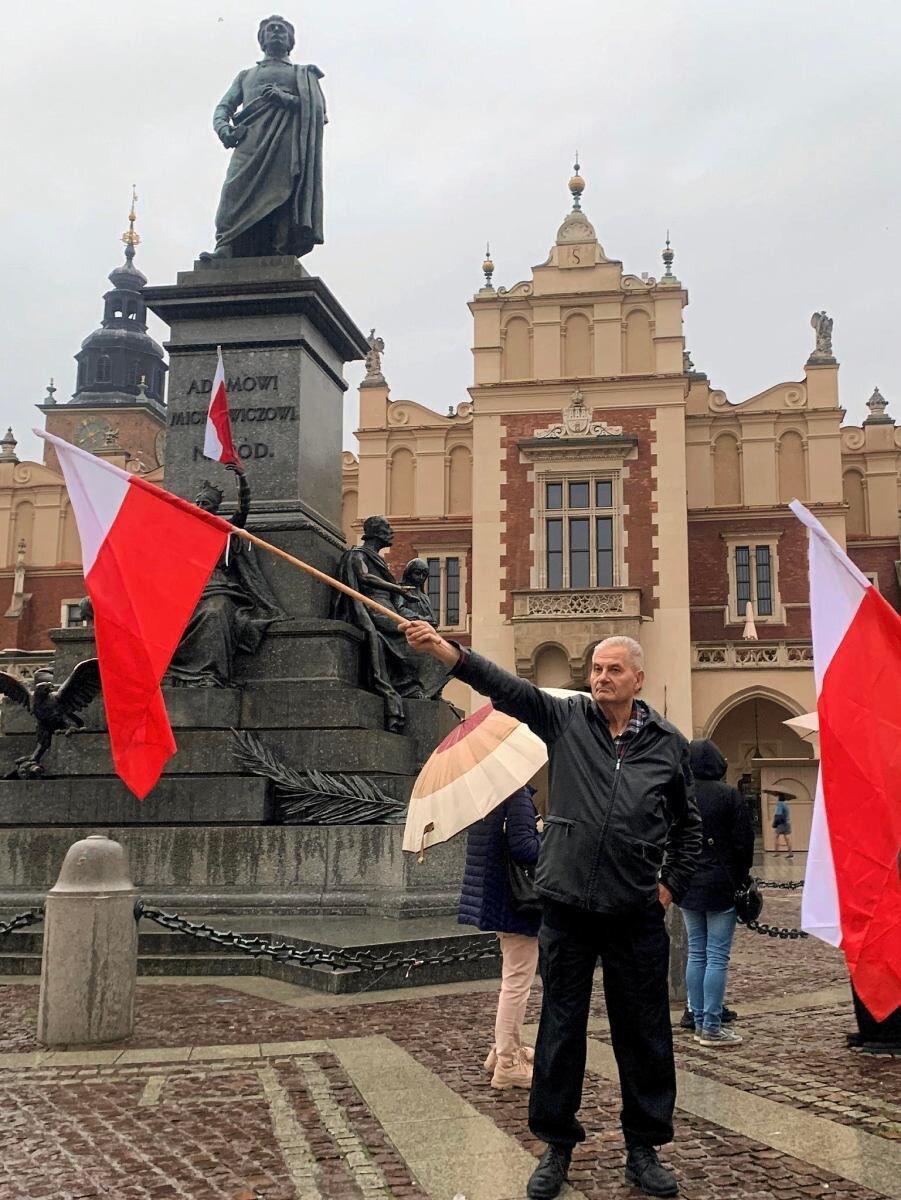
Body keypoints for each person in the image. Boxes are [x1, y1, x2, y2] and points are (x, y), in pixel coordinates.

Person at [401, 622, 702, 1200]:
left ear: (638, 678)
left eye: (614, 669)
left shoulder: (667, 744)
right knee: (561, 1031)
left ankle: (643, 1148)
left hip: (634, 912)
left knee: (643, 1034)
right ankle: (556, 1146)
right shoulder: (568, 720)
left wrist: (668, 888)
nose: (601, 677)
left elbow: (689, 829)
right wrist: (448, 652)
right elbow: (507, 688)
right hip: (565, 906)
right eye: (596, 669)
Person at [203, 15, 326, 259]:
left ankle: (280, 250)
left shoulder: (302, 74)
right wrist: (223, 128)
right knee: (232, 192)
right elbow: (223, 107)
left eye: (282, 30)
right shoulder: (246, 76)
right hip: (249, 142)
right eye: (271, 29)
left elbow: (319, 111)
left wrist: (285, 98)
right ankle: (226, 246)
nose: (277, 32)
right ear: (262, 39)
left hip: (284, 143)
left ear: (291, 41)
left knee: (281, 193)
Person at [168, 467, 287, 687]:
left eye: (206, 504)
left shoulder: (225, 531)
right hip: (188, 589)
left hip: (219, 588)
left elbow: (244, 509)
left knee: (215, 612)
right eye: (199, 503)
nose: (201, 507)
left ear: (215, 509)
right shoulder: (185, 534)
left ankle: (208, 672)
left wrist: (242, 480)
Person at [458, 785, 542, 1090]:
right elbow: (524, 848)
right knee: (517, 984)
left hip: (498, 896)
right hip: (516, 902)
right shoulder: (516, 794)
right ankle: (507, 1063)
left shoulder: (487, 793)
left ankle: (503, 1050)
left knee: (512, 980)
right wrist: (546, 836)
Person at [678, 740, 754, 1047]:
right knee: (717, 956)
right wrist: (740, 878)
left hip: (686, 885)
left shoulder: (681, 795)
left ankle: (697, 1017)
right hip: (721, 885)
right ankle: (710, 1026)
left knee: (696, 952)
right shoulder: (729, 796)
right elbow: (743, 844)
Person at [771, 792, 793, 857]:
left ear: (779, 798)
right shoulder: (786, 805)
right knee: (787, 838)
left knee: (776, 837)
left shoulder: (779, 804)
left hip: (781, 824)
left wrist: (775, 822)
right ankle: (790, 853)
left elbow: (778, 814)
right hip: (787, 823)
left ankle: (777, 853)